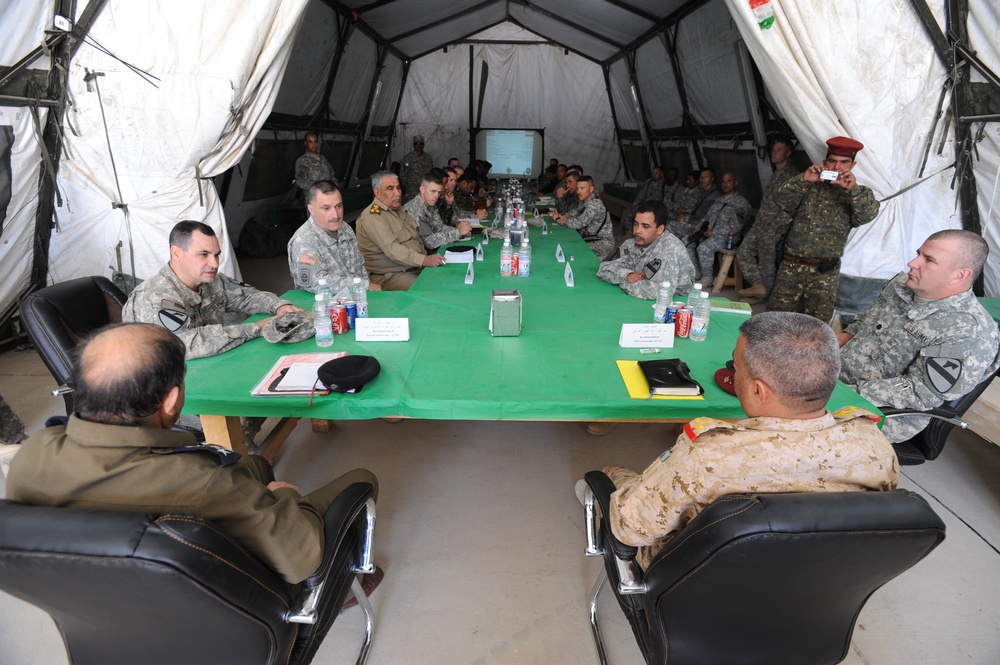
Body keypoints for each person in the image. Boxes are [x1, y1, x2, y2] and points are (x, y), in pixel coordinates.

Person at [6, 323, 384, 597]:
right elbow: (301, 557)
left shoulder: (31, 459)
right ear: (171, 401)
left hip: (107, 602)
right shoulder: (203, 481)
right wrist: (285, 496)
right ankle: (341, 589)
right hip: (231, 599)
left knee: (254, 465)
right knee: (361, 478)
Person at [590, 311, 898, 569]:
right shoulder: (877, 447)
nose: (733, 372)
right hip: (815, 577)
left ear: (758, 391)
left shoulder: (707, 457)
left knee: (613, 475)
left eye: (736, 366)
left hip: (694, 580)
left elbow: (629, 529)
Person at [839, 230, 1000, 444]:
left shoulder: (966, 331)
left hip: (880, 410)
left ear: (959, 275)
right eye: (918, 254)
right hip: (835, 378)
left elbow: (920, 392)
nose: (912, 263)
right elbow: (862, 326)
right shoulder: (901, 285)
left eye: (929, 260)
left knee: (792, 430)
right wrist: (820, 350)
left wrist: (841, 393)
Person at [123, 220, 303, 360]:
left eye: (216, 254)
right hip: (161, 386)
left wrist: (278, 305)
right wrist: (256, 328)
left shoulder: (208, 279)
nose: (214, 264)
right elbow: (186, 344)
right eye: (203, 254)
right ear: (176, 253)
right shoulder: (155, 298)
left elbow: (246, 297)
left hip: (206, 365)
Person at [767, 136, 880, 322]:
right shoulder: (809, 185)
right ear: (824, 162)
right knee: (776, 321)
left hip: (824, 272)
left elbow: (867, 215)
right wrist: (803, 179)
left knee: (816, 327)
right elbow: (779, 198)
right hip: (791, 267)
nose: (837, 167)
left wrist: (852, 190)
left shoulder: (859, 193)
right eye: (832, 161)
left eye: (844, 162)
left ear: (853, 165)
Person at [356, 170, 445, 291]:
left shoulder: (399, 210)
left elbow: (416, 240)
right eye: (390, 188)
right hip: (390, 275)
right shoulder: (373, 217)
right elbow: (393, 250)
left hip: (414, 268)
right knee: (429, 288)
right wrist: (424, 260)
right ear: (377, 192)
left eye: (398, 188)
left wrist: (426, 261)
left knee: (445, 279)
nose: (397, 193)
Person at [287, 180, 381, 294]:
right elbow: (316, 282)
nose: (335, 215)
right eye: (326, 208)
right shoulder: (304, 240)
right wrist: (364, 286)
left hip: (356, 299)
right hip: (323, 306)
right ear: (311, 210)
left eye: (338, 206)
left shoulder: (345, 229)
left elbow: (360, 267)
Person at [737, 139, 800, 302]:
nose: (774, 152)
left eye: (779, 150)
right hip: (760, 223)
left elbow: (794, 207)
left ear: (788, 153)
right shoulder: (777, 174)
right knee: (743, 252)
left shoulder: (792, 175)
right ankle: (759, 287)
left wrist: (775, 226)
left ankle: (765, 296)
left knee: (767, 263)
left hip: (773, 226)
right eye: (773, 149)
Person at [597, 200, 696, 299]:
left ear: (660, 229)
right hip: (639, 298)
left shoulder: (669, 249)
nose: (637, 231)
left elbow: (657, 292)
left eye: (645, 226)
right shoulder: (630, 244)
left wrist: (623, 282)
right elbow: (604, 267)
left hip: (674, 305)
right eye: (636, 224)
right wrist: (628, 275)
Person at [685, 172, 751, 282]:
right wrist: (697, 228)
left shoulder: (741, 203)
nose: (725, 184)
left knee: (703, 248)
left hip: (727, 237)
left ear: (735, 183)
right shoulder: (719, 200)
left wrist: (715, 232)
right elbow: (706, 217)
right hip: (708, 232)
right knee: (687, 241)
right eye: (723, 181)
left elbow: (737, 226)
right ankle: (697, 272)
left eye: (729, 181)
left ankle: (708, 277)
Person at [404, 172, 472, 250]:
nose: (436, 196)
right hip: (418, 255)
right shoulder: (415, 210)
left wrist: (461, 229)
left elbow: (439, 227)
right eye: (433, 191)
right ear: (422, 189)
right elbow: (430, 242)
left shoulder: (431, 205)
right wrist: (458, 233)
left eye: (439, 192)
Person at [554, 175, 615, 259]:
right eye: (578, 188)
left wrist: (558, 219)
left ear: (591, 189)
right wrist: (566, 216)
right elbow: (575, 211)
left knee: (572, 249)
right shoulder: (585, 200)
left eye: (582, 188)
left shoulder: (594, 204)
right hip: (591, 238)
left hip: (602, 243)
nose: (579, 191)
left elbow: (579, 223)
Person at [619, 166, 669, 234]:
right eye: (653, 173)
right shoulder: (649, 182)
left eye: (656, 173)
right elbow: (641, 194)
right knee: (628, 214)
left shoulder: (664, 186)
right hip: (644, 207)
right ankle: (631, 233)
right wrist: (634, 205)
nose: (654, 175)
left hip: (655, 210)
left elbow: (666, 201)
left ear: (661, 174)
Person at [400, 135, 433, 203]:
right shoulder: (407, 158)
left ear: (423, 145)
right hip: (412, 190)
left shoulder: (428, 158)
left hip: (425, 189)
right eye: (417, 143)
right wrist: (404, 188)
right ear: (413, 145)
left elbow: (431, 173)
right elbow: (403, 175)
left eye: (421, 143)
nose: (419, 145)